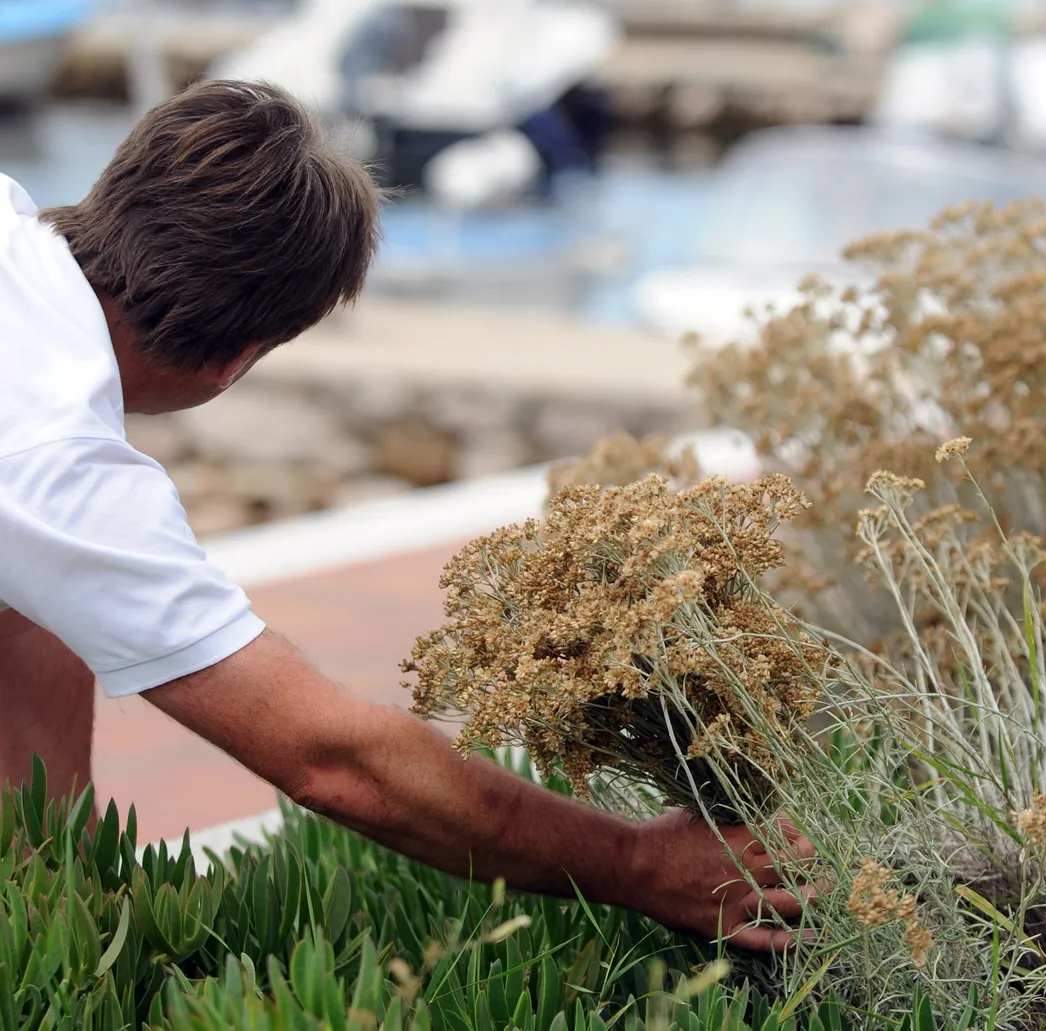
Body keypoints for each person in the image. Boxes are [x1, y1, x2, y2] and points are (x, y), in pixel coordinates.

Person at [0, 80, 811, 951]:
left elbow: (30, 598)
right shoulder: (51, 456)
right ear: (237, 360)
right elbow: (334, 760)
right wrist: (638, 865)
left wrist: (60, 911)